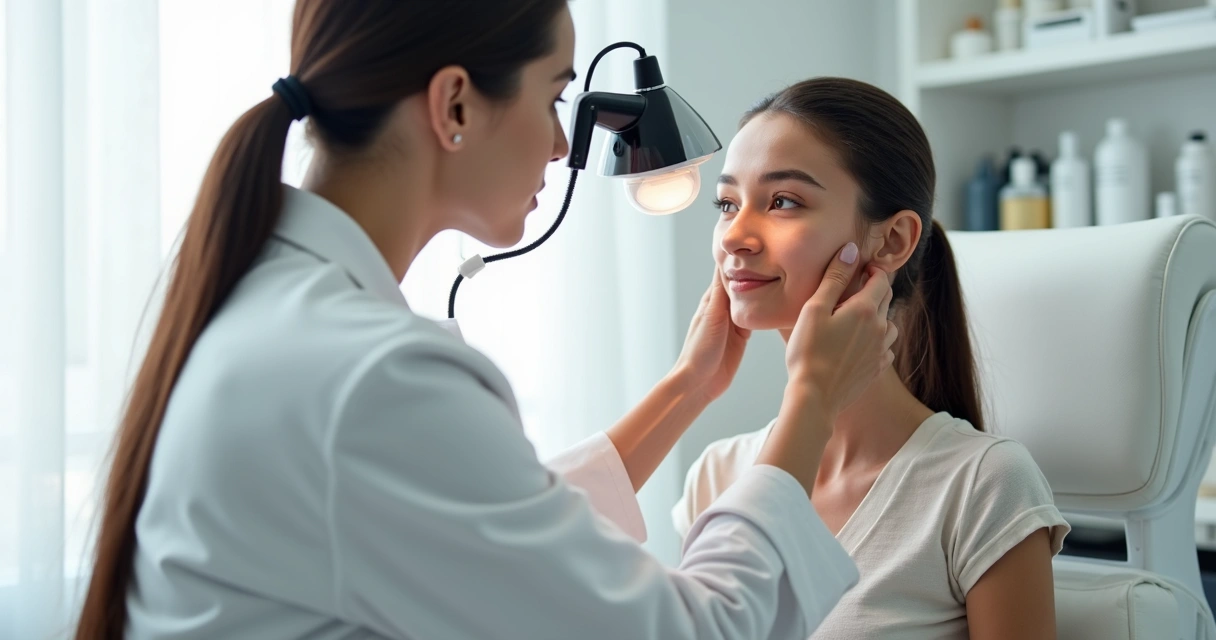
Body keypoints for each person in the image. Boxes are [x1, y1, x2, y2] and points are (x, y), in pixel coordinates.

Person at [74, 4, 899, 639]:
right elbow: (699, 629)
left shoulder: (282, 315)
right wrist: (812, 395)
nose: (556, 144)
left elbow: (487, 530)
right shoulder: (371, 375)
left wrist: (689, 388)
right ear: (455, 105)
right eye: (554, 96)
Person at [673, 78, 1070, 640]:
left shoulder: (983, 486)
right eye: (727, 203)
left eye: (783, 201)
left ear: (892, 241)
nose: (734, 235)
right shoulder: (716, 476)